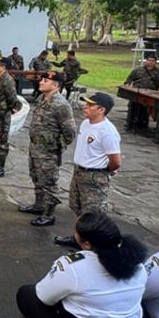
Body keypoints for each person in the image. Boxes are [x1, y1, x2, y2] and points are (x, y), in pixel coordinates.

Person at [16, 212, 148, 318]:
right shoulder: (138, 265)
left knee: (27, 294)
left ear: (86, 243)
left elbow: (44, 297)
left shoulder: (74, 266)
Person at [53, 92, 121, 239]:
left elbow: (115, 161)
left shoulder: (107, 132)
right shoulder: (86, 123)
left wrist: (104, 171)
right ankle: (78, 238)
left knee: (93, 213)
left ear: (101, 110)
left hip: (95, 175)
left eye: (90, 105)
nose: (85, 107)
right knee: (77, 207)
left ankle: (91, 244)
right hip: (79, 172)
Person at [19, 72, 77, 226]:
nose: (41, 82)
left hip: (48, 151)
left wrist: (57, 146)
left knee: (49, 182)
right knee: (36, 177)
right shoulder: (41, 98)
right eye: (42, 79)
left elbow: (70, 132)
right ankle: (39, 205)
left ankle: (49, 214)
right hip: (35, 147)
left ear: (56, 85)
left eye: (46, 80)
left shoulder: (61, 105)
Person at [124, 54, 159, 130]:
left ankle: (143, 125)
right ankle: (131, 123)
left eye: (152, 61)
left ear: (155, 62)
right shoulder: (138, 70)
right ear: (146, 61)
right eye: (149, 60)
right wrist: (127, 86)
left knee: (146, 111)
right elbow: (129, 79)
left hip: (150, 95)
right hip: (137, 93)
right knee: (133, 108)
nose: (150, 62)